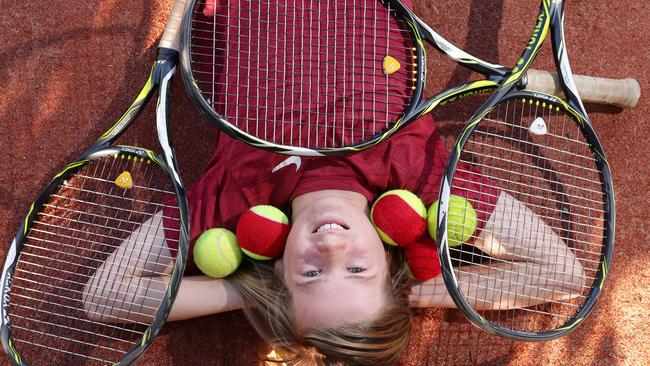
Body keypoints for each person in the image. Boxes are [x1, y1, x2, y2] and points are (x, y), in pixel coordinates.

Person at [81, 1, 587, 365]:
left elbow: (102, 296)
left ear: (279, 272)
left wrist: (252, 294)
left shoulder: (236, 200)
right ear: (387, 258)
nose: (330, 248)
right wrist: (409, 294)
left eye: (311, 277)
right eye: (359, 268)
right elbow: (563, 274)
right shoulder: (418, 173)